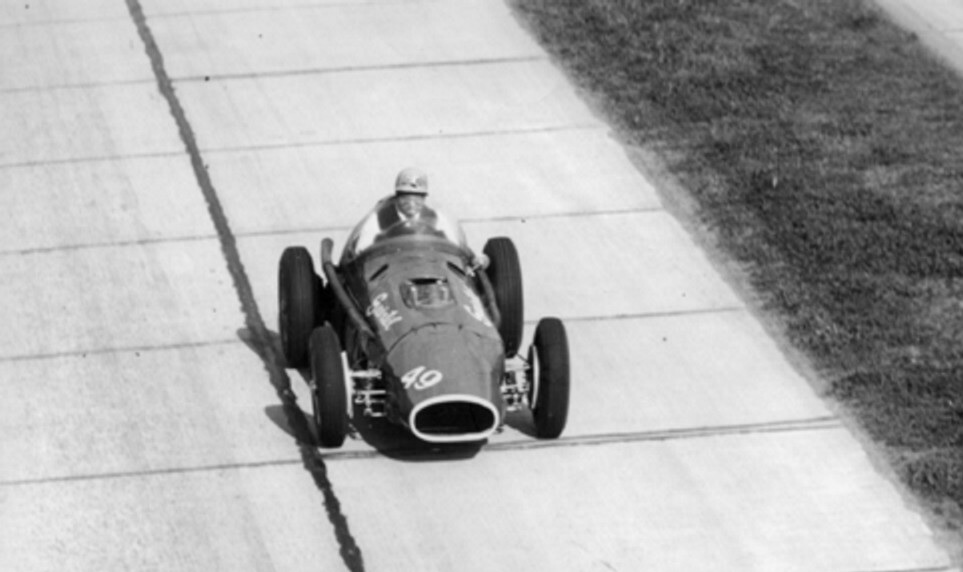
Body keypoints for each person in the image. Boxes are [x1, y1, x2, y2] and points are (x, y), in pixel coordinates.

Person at [345, 168, 488, 269]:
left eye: (417, 197)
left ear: (424, 198)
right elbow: (361, 251)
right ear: (397, 197)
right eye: (405, 196)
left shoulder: (436, 218)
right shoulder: (379, 218)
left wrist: (470, 259)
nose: (411, 202)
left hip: (432, 265)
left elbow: (455, 246)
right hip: (390, 268)